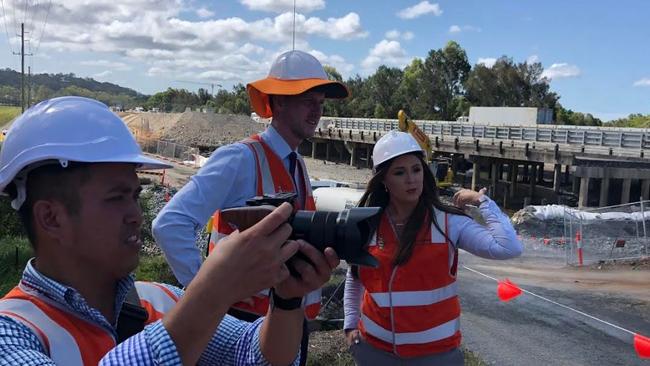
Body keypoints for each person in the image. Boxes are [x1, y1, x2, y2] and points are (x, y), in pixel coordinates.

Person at [0, 96, 339, 365]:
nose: (135, 214)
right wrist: (213, 291)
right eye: (116, 198)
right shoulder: (13, 332)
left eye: (134, 195)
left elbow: (256, 357)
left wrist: (286, 299)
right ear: (51, 218)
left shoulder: (161, 300)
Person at [153, 50, 349, 364]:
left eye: (321, 102)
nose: (317, 111)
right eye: (307, 100)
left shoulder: (296, 163)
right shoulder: (240, 158)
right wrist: (207, 297)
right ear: (279, 102)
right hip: (240, 327)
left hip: (285, 322)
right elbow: (170, 224)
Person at [343, 131, 523, 365]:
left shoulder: (448, 223)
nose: (411, 179)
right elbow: (354, 276)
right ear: (383, 180)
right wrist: (349, 325)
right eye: (400, 172)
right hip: (375, 351)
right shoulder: (368, 224)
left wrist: (482, 202)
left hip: (437, 356)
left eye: (416, 169)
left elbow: (508, 248)